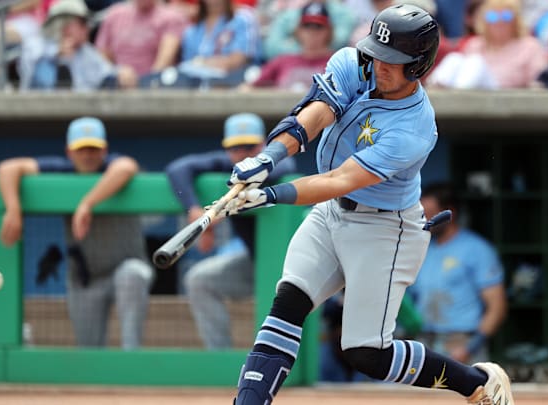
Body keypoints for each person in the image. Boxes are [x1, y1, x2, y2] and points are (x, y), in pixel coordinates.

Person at [219, 4, 514, 404]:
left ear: (418, 65)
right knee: (287, 303)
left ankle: (476, 382)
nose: (379, 65)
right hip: (331, 214)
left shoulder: (415, 128)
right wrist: (268, 158)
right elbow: (317, 112)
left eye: (392, 60)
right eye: (376, 53)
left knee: (366, 354)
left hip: (384, 229)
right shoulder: (354, 61)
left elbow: (341, 178)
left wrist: (271, 194)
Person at [0, 116, 155, 349]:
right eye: (81, 149)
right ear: (69, 152)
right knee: (88, 347)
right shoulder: (62, 169)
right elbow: (8, 168)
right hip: (86, 277)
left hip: (125, 268)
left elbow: (127, 167)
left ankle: (132, 358)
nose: (88, 155)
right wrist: (12, 208)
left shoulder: (113, 165)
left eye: (94, 148)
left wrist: (87, 203)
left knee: (131, 275)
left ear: (105, 150)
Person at [165, 113, 297, 349]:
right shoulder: (230, 167)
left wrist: (224, 207)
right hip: (256, 262)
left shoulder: (277, 163)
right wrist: (194, 210)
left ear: (263, 145)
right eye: (236, 148)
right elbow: (178, 168)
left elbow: (283, 168)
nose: (244, 153)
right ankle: (221, 357)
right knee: (199, 280)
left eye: (250, 146)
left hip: (296, 267)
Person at [407, 183, 507, 365]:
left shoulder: (476, 249)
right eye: (422, 213)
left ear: (449, 213)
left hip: (460, 343)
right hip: (424, 341)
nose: (424, 219)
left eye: (430, 213)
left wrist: (470, 348)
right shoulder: (422, 247)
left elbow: (497, 307)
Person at [427, 0, 548, 89]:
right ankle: (430, 96)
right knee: (454, 59)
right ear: (483, 21)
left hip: (504, 99)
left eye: (506, 16)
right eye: (493, 16)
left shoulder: (529, 45)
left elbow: (540, 81)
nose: (500, 21)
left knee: (476, 63)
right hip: (473, 91)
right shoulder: (475, 44)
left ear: (516, 20)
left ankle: (459, 98)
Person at [18, 0, 137, 90]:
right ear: (65, 26)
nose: (88, 28)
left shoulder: (86, 51)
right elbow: (29, 75)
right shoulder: (35, 44)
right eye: (83, 23)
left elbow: (107, 72)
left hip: (79, 115)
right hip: (38, 116)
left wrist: (122, 73)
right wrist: (56, 54)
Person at [94, 0, 188, 87]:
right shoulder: (114, 15)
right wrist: (117, 72)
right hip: (116, 85)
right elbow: (101, 56)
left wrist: (145, 84)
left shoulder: (172, 18)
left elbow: (163, 63)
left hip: (156, 87)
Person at [247, 2, 334, 91]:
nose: (312, 32)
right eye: (307, 26)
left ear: (328, 31)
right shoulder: (282, 61)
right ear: (298, 30)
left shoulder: (337, 63)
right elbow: (249, 88)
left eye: (318, 27)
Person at [262, 0, 357, 60]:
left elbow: (339, 41)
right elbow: (271, 48)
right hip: (292, 66)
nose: (312, 33)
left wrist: (299, 46)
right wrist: (305, 51)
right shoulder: (290, 13)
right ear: (298, 32)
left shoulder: (343, 13)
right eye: (307, 28)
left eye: (318, 28)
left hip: (328, 63)